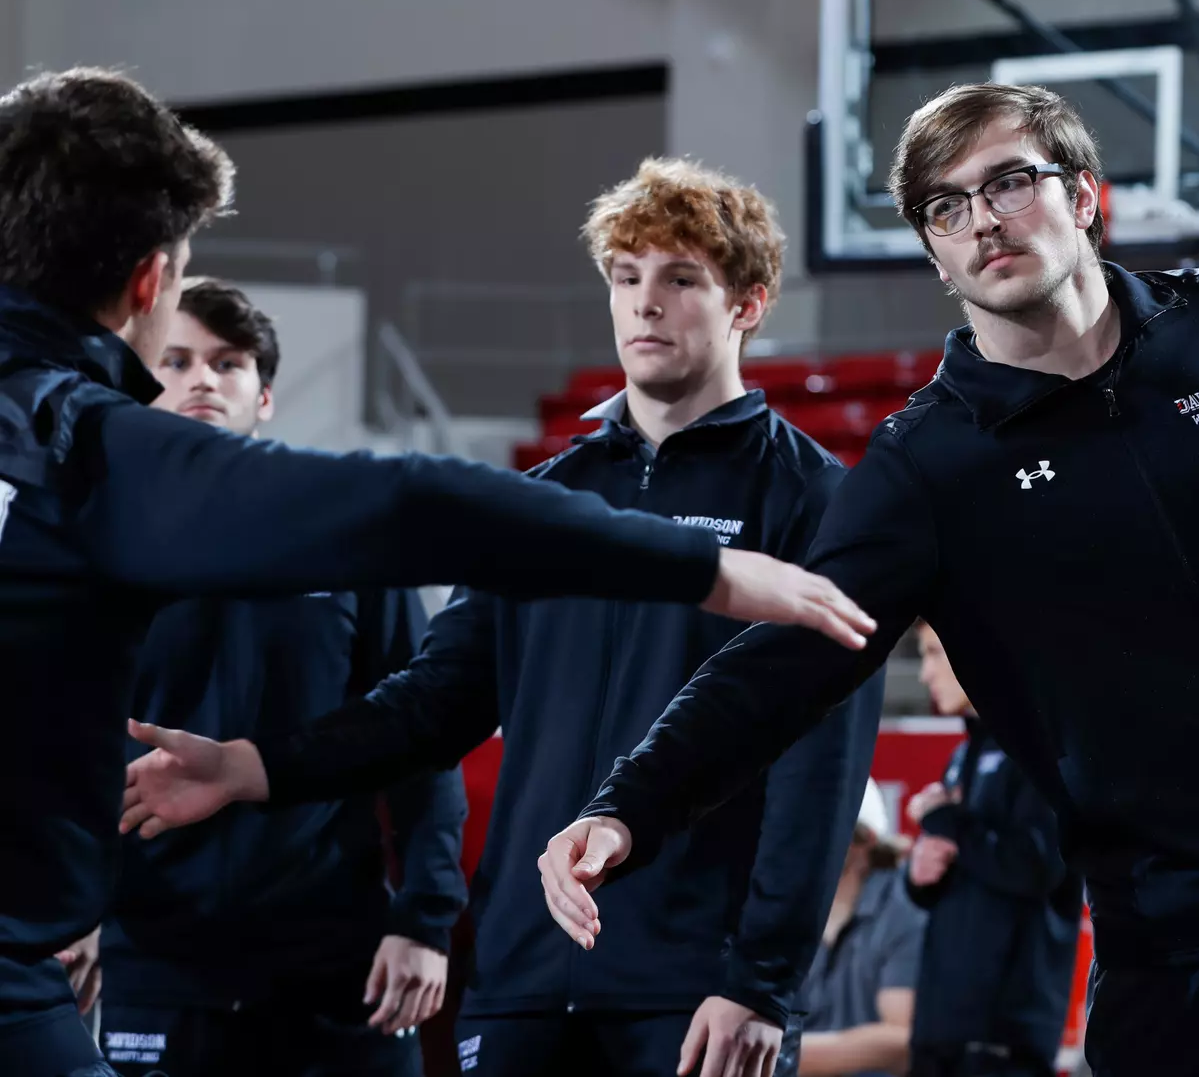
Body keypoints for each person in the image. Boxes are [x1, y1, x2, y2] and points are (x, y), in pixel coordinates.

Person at [528, 82, 1199, 1077]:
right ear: (934, 257)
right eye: (946, 208)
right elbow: (780, 663)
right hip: (1184, 955)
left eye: (1008, 182)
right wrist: (629, 804)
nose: (982, 219)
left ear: (1084, 195)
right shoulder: (924, 470)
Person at [0, 66, 871, 1077]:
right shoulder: (87, 451)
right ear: (150, 280)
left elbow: (812, 765)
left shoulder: (805, 492)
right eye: (627, 275)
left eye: (678, 277)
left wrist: (759, 975)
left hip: (677, 976)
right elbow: (415, 544)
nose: (645, 302)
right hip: (517, 972)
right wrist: (703, 566)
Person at [89, 278, 465, 1077]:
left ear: (263, 395)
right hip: (154, 967)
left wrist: (426, 920)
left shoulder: (353, 537)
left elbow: (422, 735)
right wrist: (60, 912)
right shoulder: (91, 552)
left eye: (228, 364)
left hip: (339, 970)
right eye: (178, 360)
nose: (202, 380)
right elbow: (46, 751)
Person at [903, 622, 1079, 1077]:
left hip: (1003, 1040)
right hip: (943, 1033)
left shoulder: (1040, 748)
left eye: (934, 655)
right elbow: (968, 866)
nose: (925, 674)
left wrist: (947, 824)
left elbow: (1037, 866)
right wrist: (922, 874)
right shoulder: (964, 753)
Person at [794, 783, 925, 1077]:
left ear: (865, 839)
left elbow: (904, 1039)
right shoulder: (781, 910)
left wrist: (777, 1051)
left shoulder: (904, 908)